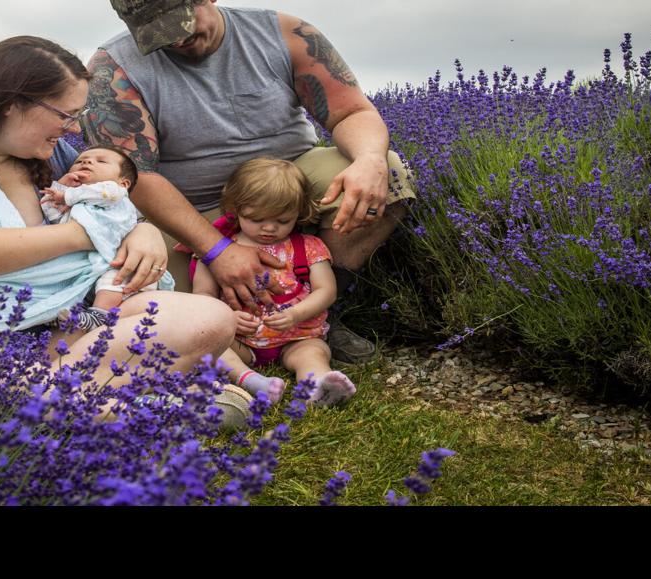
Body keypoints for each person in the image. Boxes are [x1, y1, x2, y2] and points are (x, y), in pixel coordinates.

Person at [0, 35, 248, 422]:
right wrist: (83, 235)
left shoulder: (52, 155)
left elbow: (107, 206)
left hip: (62, 325)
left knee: (210, 319)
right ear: (12, 104)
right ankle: (132, 405)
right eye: (65, 115)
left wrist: (138, 231)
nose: (73, 129)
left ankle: (43, 399)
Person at [82, 0, 419, 365]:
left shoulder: (284, 34)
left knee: (389, 172)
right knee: (143, 291)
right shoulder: (112, 68)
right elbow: (136, 175)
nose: (176, 41)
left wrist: (369, 160)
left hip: (289, 186)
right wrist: (217, 250)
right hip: (192, 210)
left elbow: (350, 111)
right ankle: (237, 332)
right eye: (156, 33)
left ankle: (318, 313)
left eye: (183, 25)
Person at [194, 158, 355, 407]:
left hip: (296, 335)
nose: (269, 228)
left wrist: (295, 314)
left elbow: (326, 290)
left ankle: (317, 385)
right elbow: (202, 297)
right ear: (235, 209)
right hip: (240, 338)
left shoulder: (307, 247)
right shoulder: (218, 251)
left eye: (282, 221)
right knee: (210, 346)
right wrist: (227, 318)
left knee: (313, 352)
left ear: (298, 214)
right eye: (256, 219)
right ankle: (251, 380)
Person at [37, 145, 178, 330]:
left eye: (101, 161)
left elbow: (104, 194)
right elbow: (53, 215)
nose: (86, 162)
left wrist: (67, 194)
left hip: (122, 261)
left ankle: (99, 315)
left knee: (113, 279)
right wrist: (60, 187)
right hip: (94, 262)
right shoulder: (75, 204)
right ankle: (54, 313)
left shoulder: (114, 193)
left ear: (124, 183)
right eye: (79, 161)